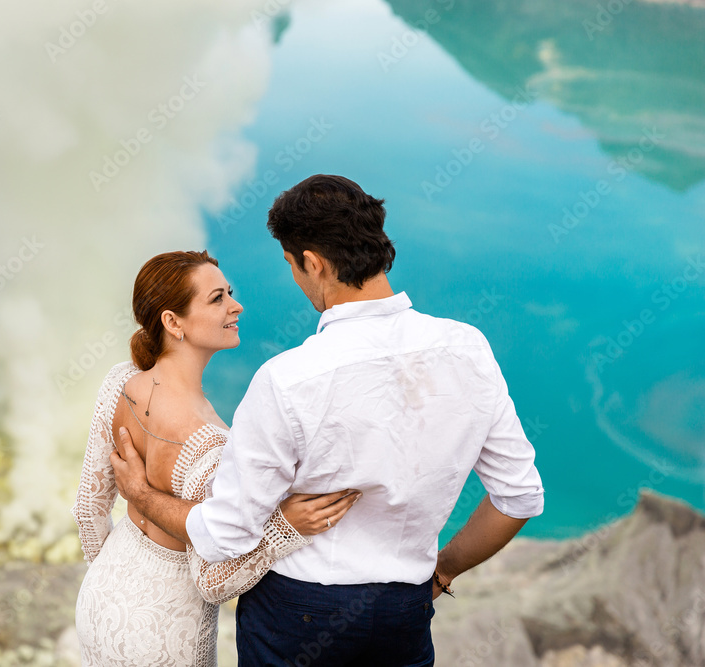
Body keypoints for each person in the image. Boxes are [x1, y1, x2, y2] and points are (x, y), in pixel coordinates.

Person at [111, 174, 546, 666]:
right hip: (403, 614)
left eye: (292, 266)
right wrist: (441, 572)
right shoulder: (468, 348)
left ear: (313, 263)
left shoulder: (286, 378)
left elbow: (226, 534)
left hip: (296, 616)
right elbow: (520, 497)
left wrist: (141, 496)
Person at [71, 249, 360, 667]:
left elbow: (87, 507)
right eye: (217, 298)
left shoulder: (121, 382)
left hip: (99, 599)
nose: (235, 305)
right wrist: (284, 529)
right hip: (164, 630)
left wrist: (116, 581)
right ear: (173, 322)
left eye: (230, 293)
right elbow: (213, 583)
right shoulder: (210, 444)